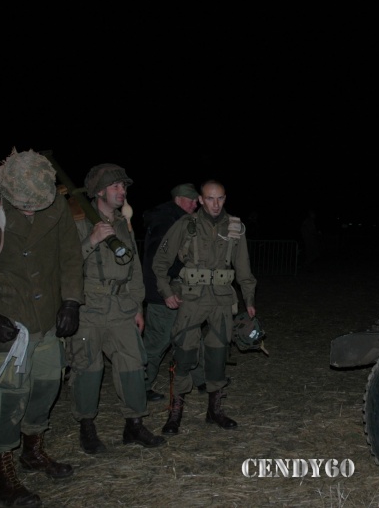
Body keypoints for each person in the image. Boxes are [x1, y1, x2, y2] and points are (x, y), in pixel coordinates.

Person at [0, 148, 84, 507]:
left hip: (47, 320)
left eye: (36, 204)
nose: (31, 210)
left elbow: (71, 256)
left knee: (46, 386)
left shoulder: (55, 208)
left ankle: (32, 451)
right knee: (8, 396)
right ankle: (1, 473)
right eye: (24, 205)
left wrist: (71, 300)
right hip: (6, 322)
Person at [67, 163, 165, 455]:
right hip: (89, 307)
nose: (122, 191)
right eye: (115, 186)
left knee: (133, 365)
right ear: (98, 191)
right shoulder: (77, 221)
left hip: (122, 307)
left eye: (124, 187)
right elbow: (65, 264)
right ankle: (87, 427)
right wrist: (91, 240)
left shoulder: (123, 224)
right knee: (87, 368)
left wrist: (138, 307)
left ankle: (133, 425)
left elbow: (133, 269)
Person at [153, 179, 257, 433]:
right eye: (210, 198)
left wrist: (250, 300)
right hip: (191, 297)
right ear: (200, 199)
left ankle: (215, 410)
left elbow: (243, 267)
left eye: (220, 198)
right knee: (185, 353)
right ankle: (175, 412)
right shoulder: (185, 224)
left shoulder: (235, 227)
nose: (215, 204)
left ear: (225, 199)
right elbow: (160, 262)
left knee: (218, 354)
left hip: (222, 299)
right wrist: (166, 291)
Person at [142, 183, 206, 403]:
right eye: (192, 201)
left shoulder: (181, 220)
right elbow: (156, 262)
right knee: (157, 342)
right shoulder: (165, 222)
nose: (196, 205)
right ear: (179, 199)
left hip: (182, 290)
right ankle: (141, 385)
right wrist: (165, 292)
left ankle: (202, 379)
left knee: (191, 334)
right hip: (164, 294)